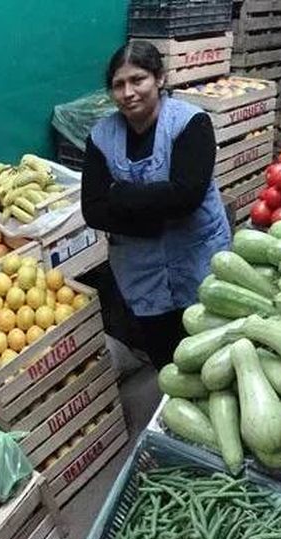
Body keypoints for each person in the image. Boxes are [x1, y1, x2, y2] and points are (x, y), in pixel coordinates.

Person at [81, 41, 229, 369]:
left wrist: (119, 194)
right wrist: (156, 213)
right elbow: (92, 210)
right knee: (168, 359)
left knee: (213, 350)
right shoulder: (100, 137)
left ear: (159, 79)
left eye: (138, 79)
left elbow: (186, 197)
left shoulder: (191, 123)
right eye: (118, 85)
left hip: (197, 257)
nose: (128, 92)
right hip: (141, 269)